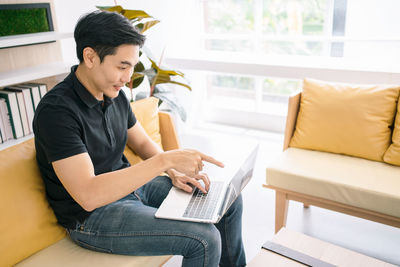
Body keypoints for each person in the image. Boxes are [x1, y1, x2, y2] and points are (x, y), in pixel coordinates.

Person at [33, 10, 246, 267]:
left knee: (226, 199)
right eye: (122, 67)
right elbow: (88, 195)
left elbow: (143, 143)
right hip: (92, 217)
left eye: (132, 66)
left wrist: (173, 172)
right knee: (203, 239)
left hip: (132, 190)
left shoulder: (115, 95)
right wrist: (164, 162)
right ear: (90, 57)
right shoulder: (57, 112)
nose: (128, 77)